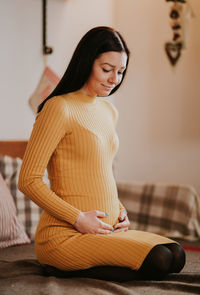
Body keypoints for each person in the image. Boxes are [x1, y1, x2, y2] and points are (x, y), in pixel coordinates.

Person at [18, 26, 185, 282]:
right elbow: (28, 180)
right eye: (107, 69)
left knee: (176, 254)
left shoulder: (109, 111)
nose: (114, 79)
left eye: (120, 71)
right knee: (160, 259)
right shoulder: (58, 108)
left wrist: (119, 209)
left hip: (105, 231)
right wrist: (78, 218)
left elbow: (99, 172)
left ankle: (86, 267)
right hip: (64, 236)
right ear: (86, 62)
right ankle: (61, 267)